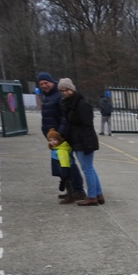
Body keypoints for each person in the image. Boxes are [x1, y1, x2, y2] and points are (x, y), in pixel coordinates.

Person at [36, 72, 86, 203]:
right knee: (61, 164)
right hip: (53, 137)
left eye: (46, 83)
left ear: (51, 82)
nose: (44, 86)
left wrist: (60, 134)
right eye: (41, 84)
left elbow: (65, 117)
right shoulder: (47, 96)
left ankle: (78, 190)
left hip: (60, 137)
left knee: (68, 164)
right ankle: (71, 190)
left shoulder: (58, 95)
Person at [57, 78, 104, 206]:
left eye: (67, 90)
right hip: (79, 141)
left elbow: (88, 126)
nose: (64, 92)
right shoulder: (71, 104)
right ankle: (98, 194)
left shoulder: (81, 104)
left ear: (72, 89)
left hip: (84, 141)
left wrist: (88, 144)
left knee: (87, 169)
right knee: (89, 168)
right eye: (62, 90)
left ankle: (92, 197)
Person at [47, 129, 74, 197]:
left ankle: (70, 196)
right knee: (66, 181)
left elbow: (65, 164)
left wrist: (64, 175)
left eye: (54, 140)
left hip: (63, 170)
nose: (52, 142)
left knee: (67, 181)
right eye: (50, 140)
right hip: (60, 170)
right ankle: (69, 194)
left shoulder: (61, 150)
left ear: (59, 140)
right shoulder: (56, 149)